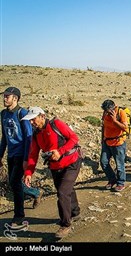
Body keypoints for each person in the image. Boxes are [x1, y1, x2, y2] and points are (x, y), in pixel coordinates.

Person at [22, 107, 82, 239]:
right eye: (30, 121)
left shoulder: (56, 124)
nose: (31, 123)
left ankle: (65, 224)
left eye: (33, 119)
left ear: (42, 116)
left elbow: (74, 139)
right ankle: (75, 212)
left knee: (62, 192)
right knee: (66, 189)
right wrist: (28, 173)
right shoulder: (36, 134)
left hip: (72, 161)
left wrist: (60, 151)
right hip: (55, 166)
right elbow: (33, 155)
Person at [0, 87, 42, 228]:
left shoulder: (22, 113)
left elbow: (29, 138)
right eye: (4, 96)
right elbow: (4, 137)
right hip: (11, 154)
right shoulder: (3, 114)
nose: (5, 98)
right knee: (15, 183)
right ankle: (35, 193)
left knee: (14, 182)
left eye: (7, 96)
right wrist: (0, 155)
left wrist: (26, 159)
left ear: (15, 98)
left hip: (21, 154)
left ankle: (19, 215)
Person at [100, 100, 128, 192]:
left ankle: (120, 183)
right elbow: (103, 125)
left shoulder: (120, 112)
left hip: (118, 143)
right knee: (103, 162)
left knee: (119, 165)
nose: (107, 112)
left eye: (108, 110)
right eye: (105, 110)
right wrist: (102, 138)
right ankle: (112, 180)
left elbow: (124, 127)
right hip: (107, 142)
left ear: (113, 107)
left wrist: (115, 120)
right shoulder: (105, 113)